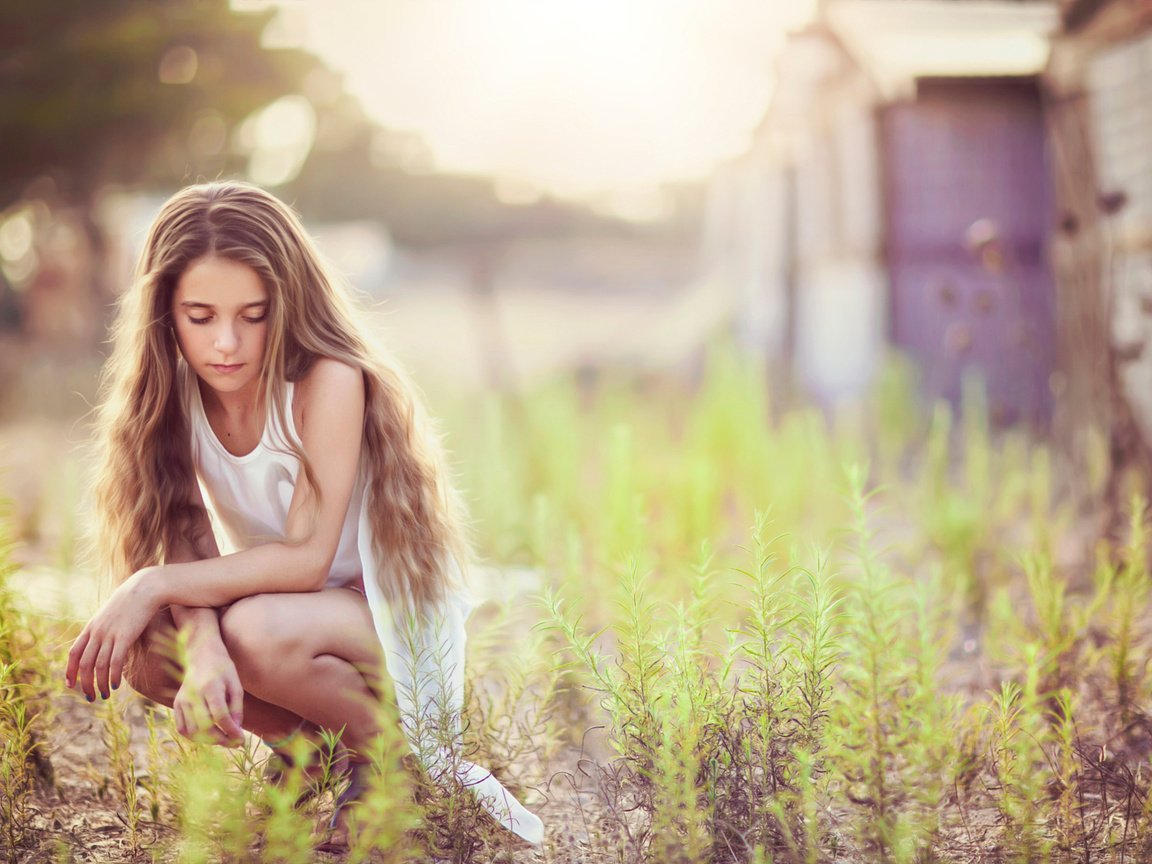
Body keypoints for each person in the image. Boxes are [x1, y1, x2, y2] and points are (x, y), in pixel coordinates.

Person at [63, 181, 544, 849]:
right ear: (164, 314)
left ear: (286, 303)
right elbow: (186, 543)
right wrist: (201, 651)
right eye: (200, 317)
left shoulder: (327, 378)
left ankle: (388, 761)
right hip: (275, 606)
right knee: (149, 649)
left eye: (252, 315)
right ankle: (306, 751)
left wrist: (148, 584)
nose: (226, 344)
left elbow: (307, 559)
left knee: (253, 631)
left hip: (374, 613)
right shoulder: (170, 391)